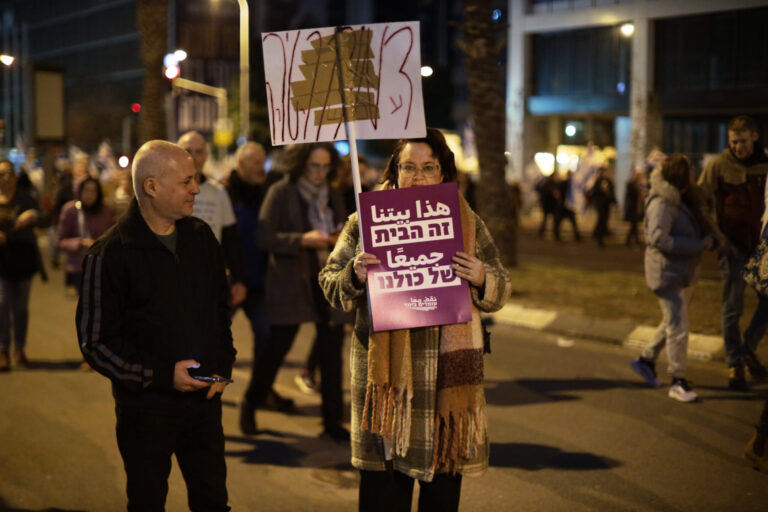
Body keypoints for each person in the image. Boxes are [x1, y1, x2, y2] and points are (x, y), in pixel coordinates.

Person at [319, 128, 512, 512]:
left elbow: (502, 288)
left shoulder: (467, 223)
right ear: (394, 170)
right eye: (408, 167)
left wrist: (481, 276)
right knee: (383, 498)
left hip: (444, 399)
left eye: (429, 167)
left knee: (440, 499)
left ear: (443, 173)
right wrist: (354, 274)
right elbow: (329, 283)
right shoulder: (366, 222)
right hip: (389, 398)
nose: (418, 176)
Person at [76, 140, 236, 511]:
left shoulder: (201, 237)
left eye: (195, 179)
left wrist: (222, 363)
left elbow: (220, 309)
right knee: (147, 502)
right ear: (151, 187)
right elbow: (96, 343)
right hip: (145, 411)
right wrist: (162, 375)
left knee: (213, 501)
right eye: (186, 181)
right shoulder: (110, 253)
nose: (196, 189)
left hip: (203, 404)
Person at [241, 142, 350, 440]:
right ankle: (251, 403)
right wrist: (302, 240)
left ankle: (331, 421)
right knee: (277, 346)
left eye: (325, 166)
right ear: (301, 163)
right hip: (291, 280)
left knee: (331, 351)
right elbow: (265, 237)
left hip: (328, 279)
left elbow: (345, 231)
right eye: (314, 165)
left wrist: (339, 237)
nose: (319, 172)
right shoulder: (281, 192)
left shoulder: (332, 193)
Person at [630, 155, 716, 402]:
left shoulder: (681, 197)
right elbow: (658, 239)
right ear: (681, 175)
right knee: (679, 326)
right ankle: (677, 381)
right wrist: (697, 245)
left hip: (679, 271)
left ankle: (646, 360)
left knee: (673, 320)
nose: (694, 174)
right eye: (690, 171)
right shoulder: (662, 202)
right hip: (666, 274)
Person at [698, 115, 768, 390]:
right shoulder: (718, 166)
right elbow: (700, 200)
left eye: (742, 141)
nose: (737, 147)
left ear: (754, 137)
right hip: (733, 248)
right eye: (733, 142)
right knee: (731, 309)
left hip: (762, 249)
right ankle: (734, 364)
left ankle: (747, 347)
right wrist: (718, 237)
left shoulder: (765, 165)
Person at [224, 141, 279, 432]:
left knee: (267, 342)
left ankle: (253, 401)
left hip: (259, 283)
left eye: (263, 162)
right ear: (241, 165)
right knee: (213, 344)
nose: (261, 168)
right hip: (230, 284)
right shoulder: (225, 193)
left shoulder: (266, 193)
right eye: (256, 163)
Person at [177, 131, 247, 309]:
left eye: (199, 152)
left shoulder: (219, 192)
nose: (193, 157)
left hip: (210, 280)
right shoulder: (170, 192)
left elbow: (230, 238)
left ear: (206, 155)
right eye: (187, 151)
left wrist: (239, 279)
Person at [0, 159, 42, 371]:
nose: (5, 178)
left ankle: (19, 348)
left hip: (23, 259)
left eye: (8, 173)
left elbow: (45, 219)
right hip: (1, 261)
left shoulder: (26, 198)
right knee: (2, 304)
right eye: (1, 174)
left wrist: (33, 215)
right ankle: (3, 350)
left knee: (21, 307)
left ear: (15, 176)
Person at [56, 177, 115, 295]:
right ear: (80, 192)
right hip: (79, 268)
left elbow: (112, 236)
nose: (90, 195)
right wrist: (80, 243)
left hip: (101, 266)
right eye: (87, 190)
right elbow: (59, 242)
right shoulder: (70, 210)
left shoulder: (105, 211)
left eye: (94, 191)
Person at [588, 165, 616, 247]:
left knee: (605, 219)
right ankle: (600, 237)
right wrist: (601, 190)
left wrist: (614, 201)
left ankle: (597, 233)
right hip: (600, 204)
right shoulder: (598, 181)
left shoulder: (609, 181)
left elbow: (612, 192)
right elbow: (594, 193)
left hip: (607, 204)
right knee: (601, 219)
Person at [554, 170, 580, 242]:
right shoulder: (564, 183)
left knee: (573, 221)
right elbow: (558, 193)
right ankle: (556, 234)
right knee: (559, 221)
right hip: (563, 205)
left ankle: (577, 236)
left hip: (570, 206)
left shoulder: (573, 184)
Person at [624, 167, 646, 246]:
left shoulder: (638, 185)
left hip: (637, 208)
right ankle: (630, 241)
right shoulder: (631, 185)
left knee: (634, 225)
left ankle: (634, 240)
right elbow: (632, 196)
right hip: (632, 208)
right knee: (634, 225)